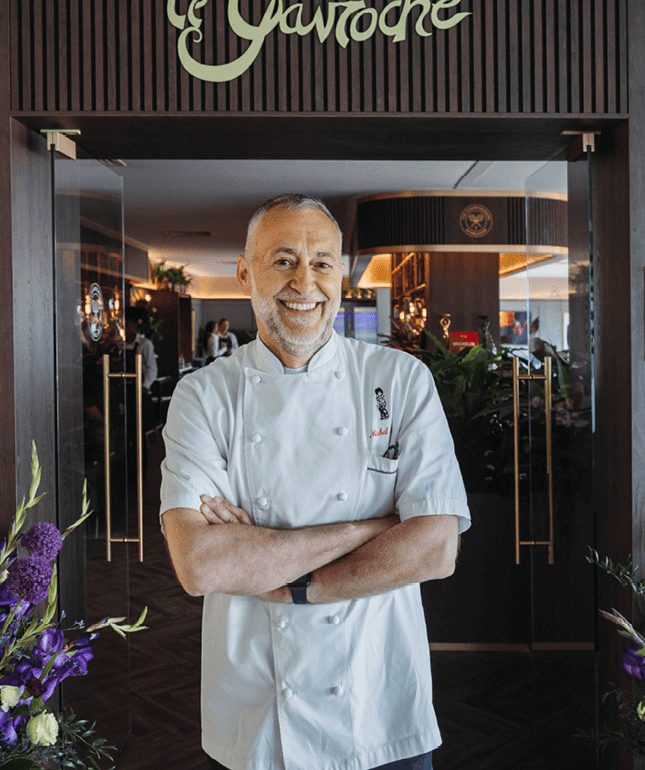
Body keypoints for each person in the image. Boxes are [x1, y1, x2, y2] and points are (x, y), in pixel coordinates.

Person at [160, 193, 469, 770]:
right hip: (255, 718)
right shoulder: (203, 397)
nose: (305, 282)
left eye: (322, 262)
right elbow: (202, 564)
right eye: (282, 260)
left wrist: (294, 582)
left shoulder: (401, 380)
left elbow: (435, 547)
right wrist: (374, 528)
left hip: (381, 709)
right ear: (245, 272)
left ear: (343, 275)